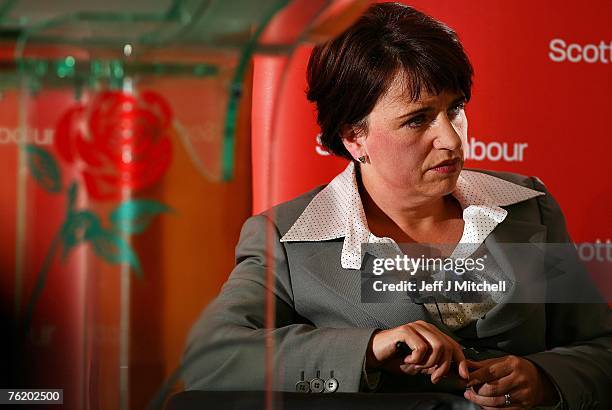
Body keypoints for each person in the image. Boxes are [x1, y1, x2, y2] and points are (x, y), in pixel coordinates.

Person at [182, 3, 612, 409]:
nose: (451, 139)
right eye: (417, 119)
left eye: (455, 108)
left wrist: (545, 378)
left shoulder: (526, 209)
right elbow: (211, 358)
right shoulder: (288, 239)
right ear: (354, 138)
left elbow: (601, 348)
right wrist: (367, 350)